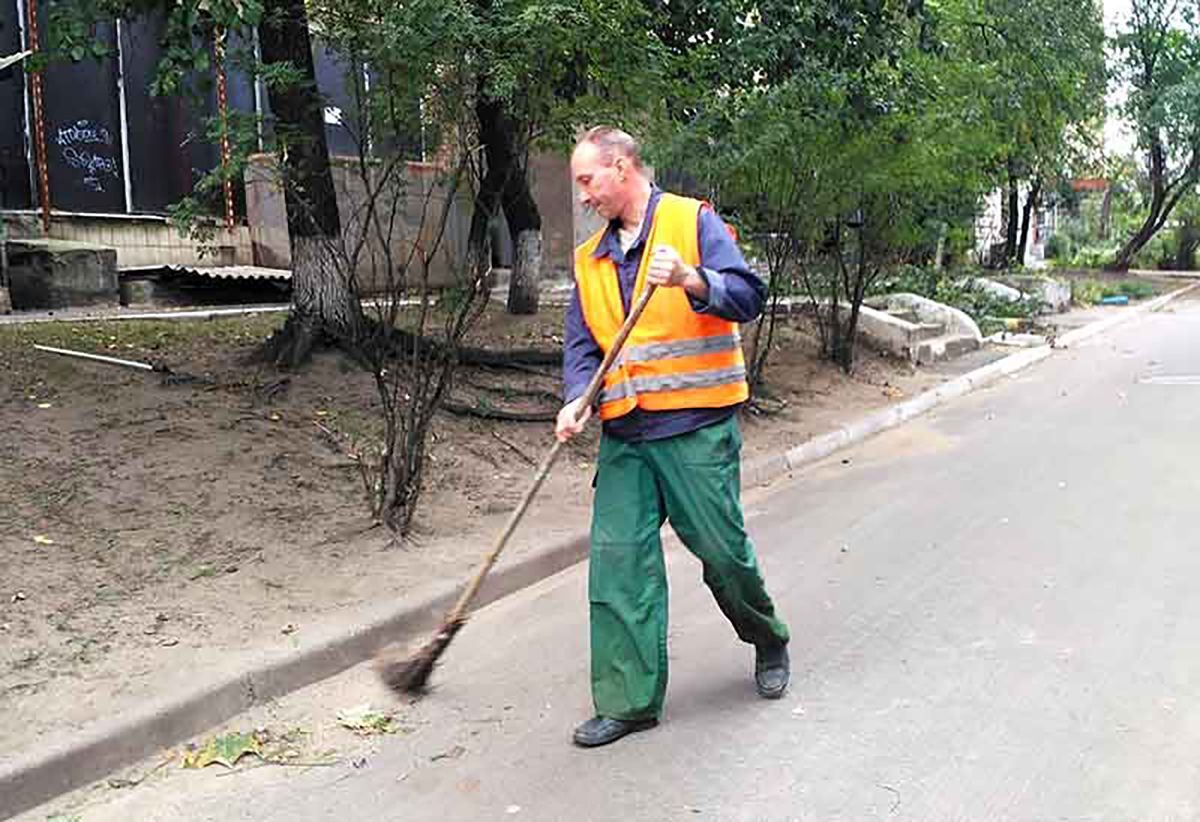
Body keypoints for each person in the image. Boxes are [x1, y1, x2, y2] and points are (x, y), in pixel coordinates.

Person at [557, 126, 791, 749]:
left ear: (623, 167)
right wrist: (575, 399)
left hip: (694, 429)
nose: (583, 197)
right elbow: (583, 344)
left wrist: (693, 279)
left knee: (722, 554)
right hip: (627, 433)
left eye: (588, 181)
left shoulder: (693, 224)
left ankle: (767, 636)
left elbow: (748, 296)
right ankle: (628, 700)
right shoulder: (591, 258)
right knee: (618, 567)